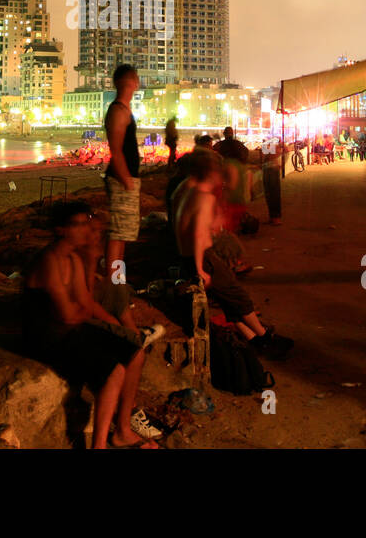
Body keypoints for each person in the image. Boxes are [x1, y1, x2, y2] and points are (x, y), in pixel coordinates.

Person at [22, 200, 156, 449]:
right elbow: (67, 314)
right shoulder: (49, 260)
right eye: (79, 224)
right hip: (46, 337)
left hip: (69, 329)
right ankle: (99, 446)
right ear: (61, 229)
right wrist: (78, 309)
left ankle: (123, 430)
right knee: (114, 371)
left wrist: (80, 307)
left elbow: (82, 304)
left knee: (135, 351)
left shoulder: (71, 259)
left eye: (87, 223)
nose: (86, 230)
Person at [173, 154, 291, 358]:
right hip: (204, 258)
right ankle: (264, 338)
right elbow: (199, 232)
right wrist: (201, 268)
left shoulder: (186, 191)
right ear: (211, 174)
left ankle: (253, 339)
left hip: (188, 256)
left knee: (227, 299)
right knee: (237, 296)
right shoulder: (204, 197)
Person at [103, 64, 142, 276]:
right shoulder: (118, 110)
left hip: (127, 178)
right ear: (130, 83)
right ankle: (114, 280)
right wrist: (126, 178)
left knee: (124, 233)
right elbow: (115, 150)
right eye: (134, 80)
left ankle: (119, 278)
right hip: (121, 179)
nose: (135, 84)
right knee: (118, 233)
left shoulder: (124, 109)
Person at [262, 135, 284, 225]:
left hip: (270, 171)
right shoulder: (275, 147)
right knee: (272, 194)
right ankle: (273, 216)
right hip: (271, 170)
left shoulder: (272, 147)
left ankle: (275, 217)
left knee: (272, 194)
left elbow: (265, 157)